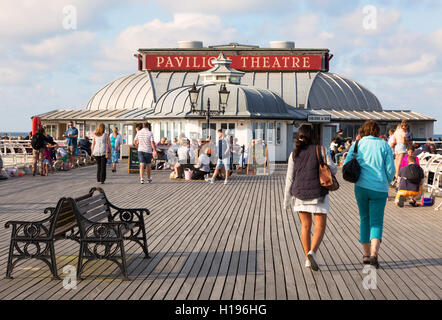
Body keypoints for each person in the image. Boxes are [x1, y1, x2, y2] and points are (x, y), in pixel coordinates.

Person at [283, 124, 337, 271]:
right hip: (318, 192)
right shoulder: (321, 149)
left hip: (300, 193)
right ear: (313, 135)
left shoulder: (294, 153)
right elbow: (333, 169)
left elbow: (289, 178)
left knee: (305, 226)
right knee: (320, 225)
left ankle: (307, 258)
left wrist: (286, 200)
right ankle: (313, 251)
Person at [343, 120, 395, 269]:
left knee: (365, 219)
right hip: (379, 187)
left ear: (363, 130)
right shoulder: (384, 145)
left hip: (361, 187)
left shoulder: (357, 144)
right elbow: (390, 169)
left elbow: (346, 163)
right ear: (378, 131)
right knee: (377, 222)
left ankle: (366, 255)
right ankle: (374, 254)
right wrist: (387, 181)